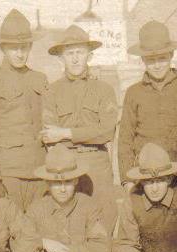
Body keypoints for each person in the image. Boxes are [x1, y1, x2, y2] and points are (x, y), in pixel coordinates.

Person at [118, 21, 177, 200]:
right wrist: (126, 180)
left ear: (171, 55)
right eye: (150, 60)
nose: (157, 65)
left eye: (162, 58)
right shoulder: (134, 93)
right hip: (146, 180)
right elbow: (125, 140)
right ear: (143, 60)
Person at [40, 25, 119, 230]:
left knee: (103, 219)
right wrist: (84, 134)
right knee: (68, 221)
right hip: (67, 165)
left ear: (89, 56)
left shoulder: (104, 89)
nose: (75, 59)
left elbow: (106, 131)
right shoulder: (52, 91)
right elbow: (49, 135)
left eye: (80, 52)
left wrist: (65, 133)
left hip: (96, 163)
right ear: (61, 58)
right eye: (69, 53)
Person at [0, 9, 48, 212]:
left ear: (30, 47)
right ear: (3, 48)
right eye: (14, 48)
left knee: (38, 231)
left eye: (24, 47)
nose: (20, 53)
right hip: (9, 175)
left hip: (40, 172)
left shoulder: (40, 79)